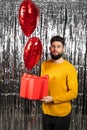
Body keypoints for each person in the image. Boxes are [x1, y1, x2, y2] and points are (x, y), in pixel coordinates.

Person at [40, 35, 78, 130]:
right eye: (53, 46)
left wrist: (53, 99)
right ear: (50, 48)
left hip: (62, 114)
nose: (55, 49)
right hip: (46, 112)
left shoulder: (70, 68)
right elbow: (42, 85)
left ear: (63, 49)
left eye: (58, 46)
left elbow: (73, 93)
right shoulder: (45, 64)